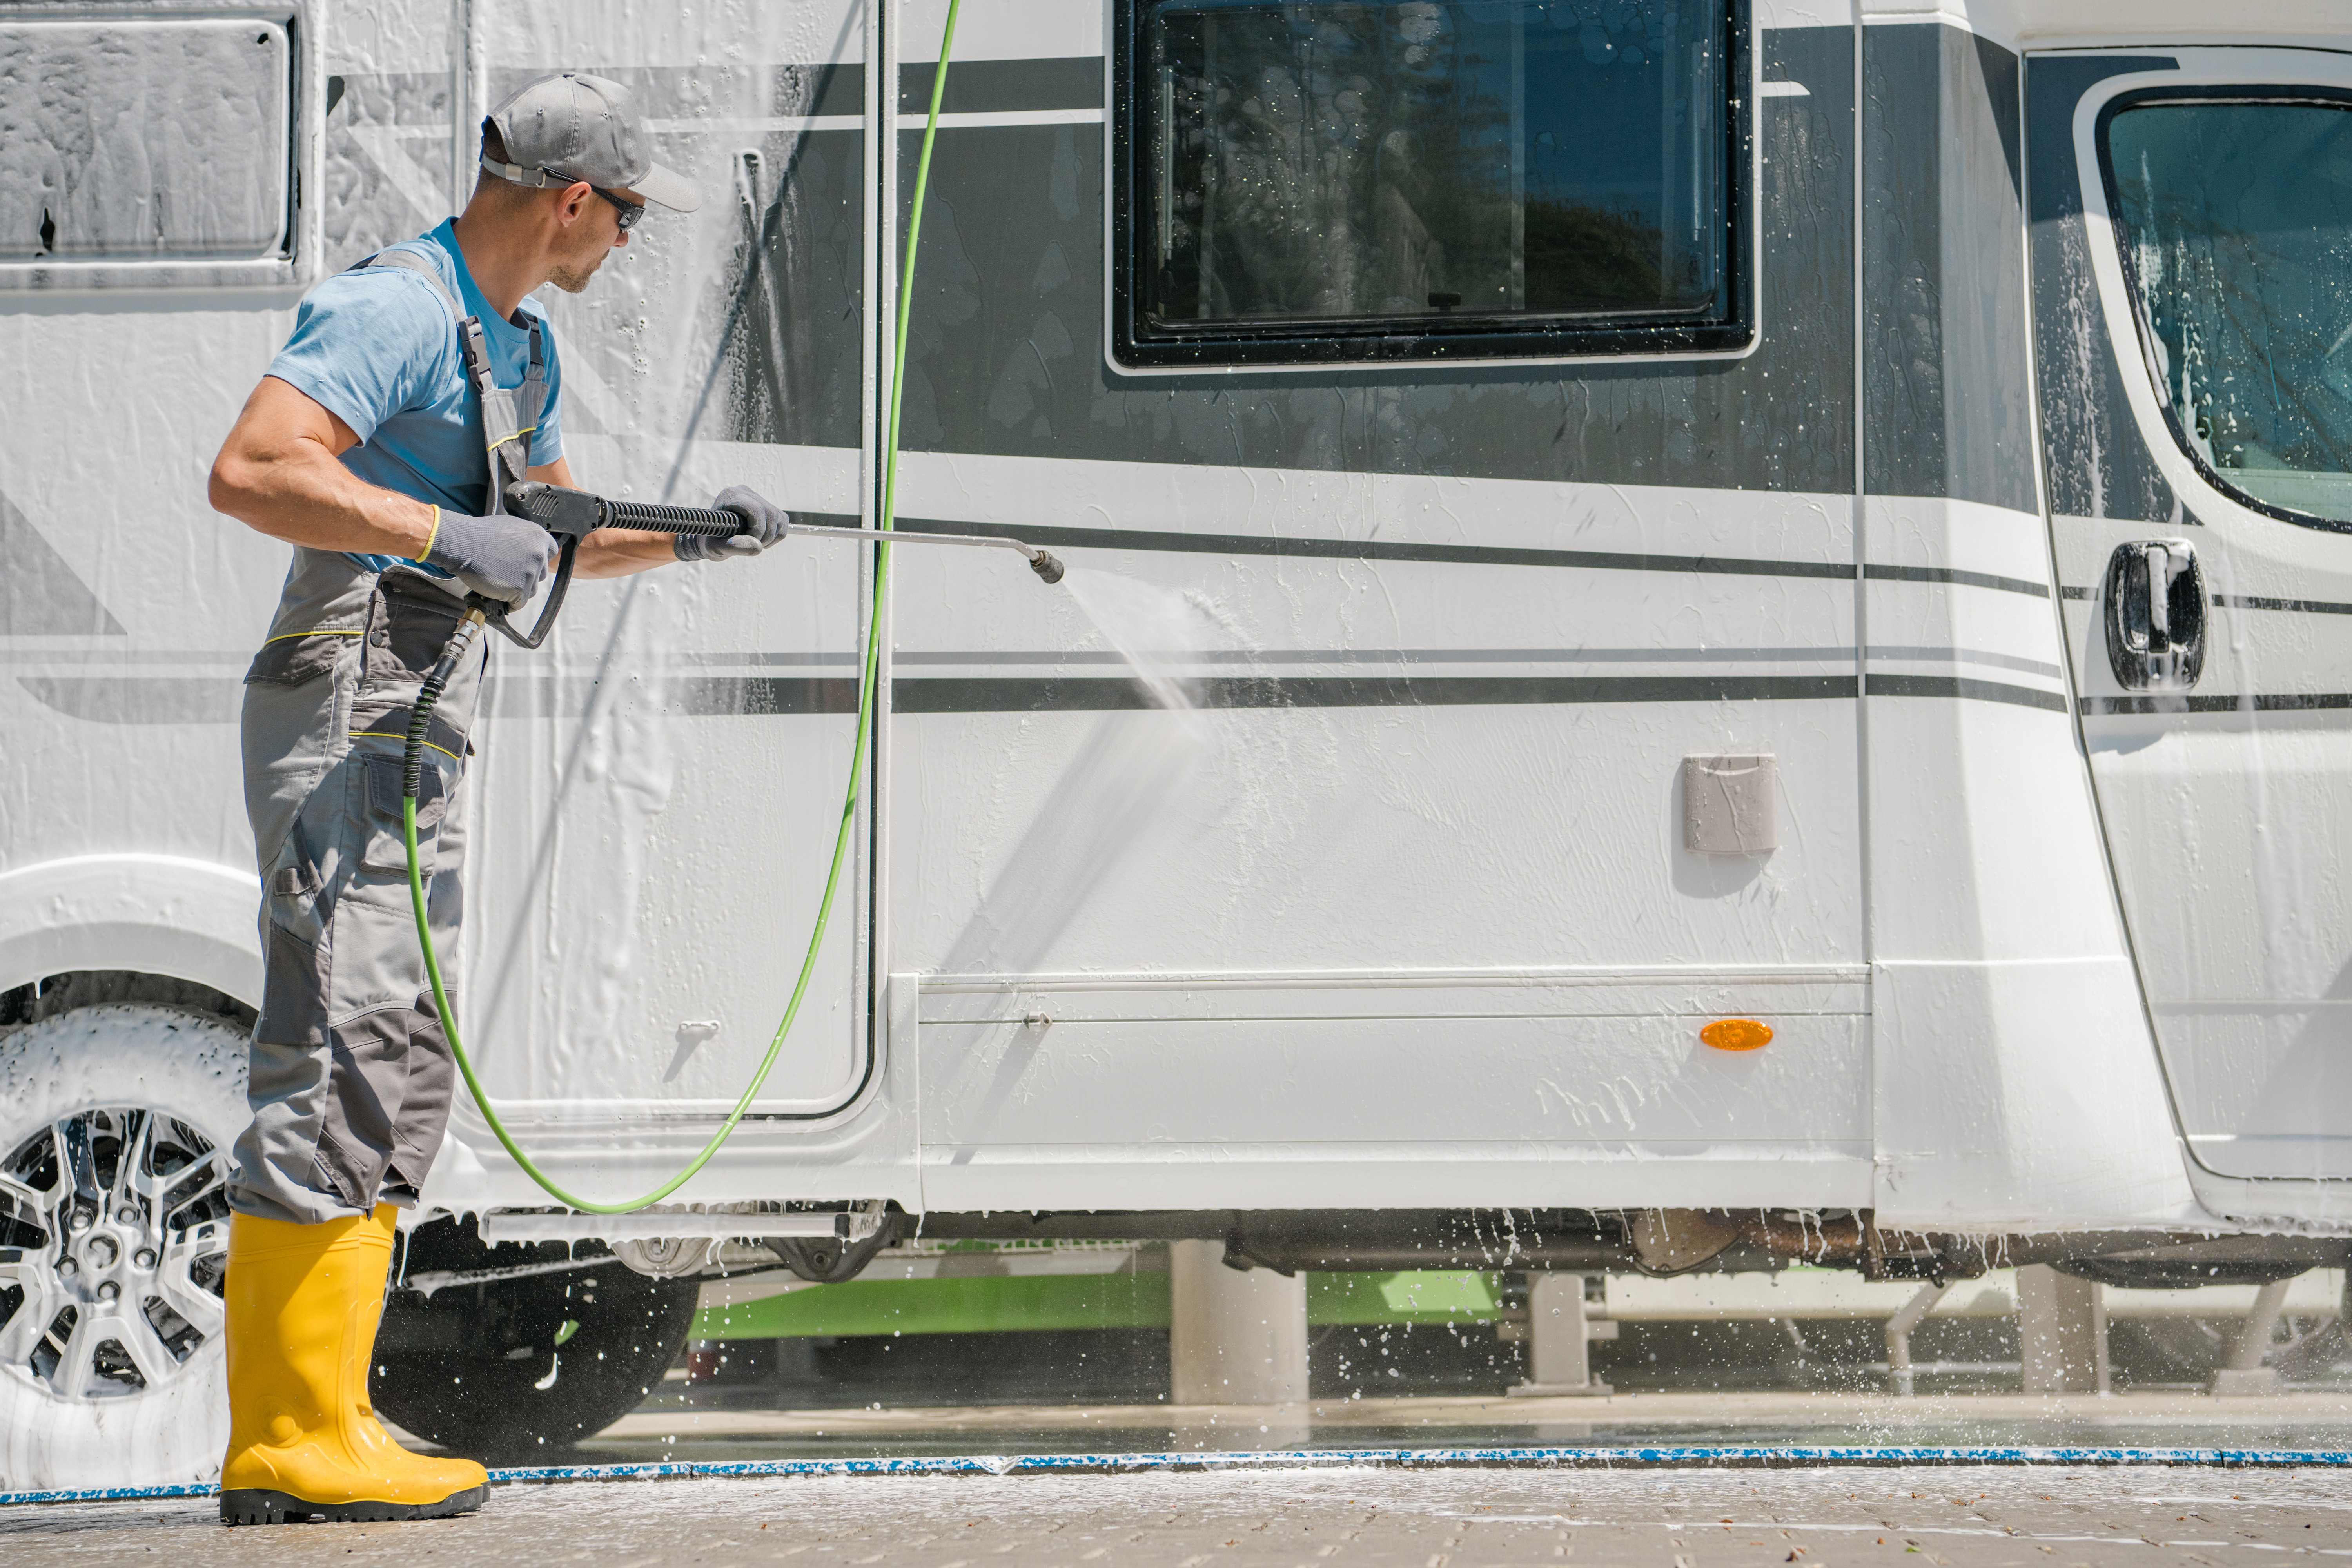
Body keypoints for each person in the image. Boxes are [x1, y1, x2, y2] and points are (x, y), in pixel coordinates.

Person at [204, 71, 785, 1525]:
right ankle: (282, 1435)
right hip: (346, 702)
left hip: (417, 721)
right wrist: (441, 526)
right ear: (574, 201)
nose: (631, 243)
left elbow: (554, 542)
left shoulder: (518, 348)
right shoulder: (401, 304)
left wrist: (697, 534)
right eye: (629, 216)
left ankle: (332, 1416)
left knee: (395, 1060)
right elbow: (255, 467)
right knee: (337, 1043)